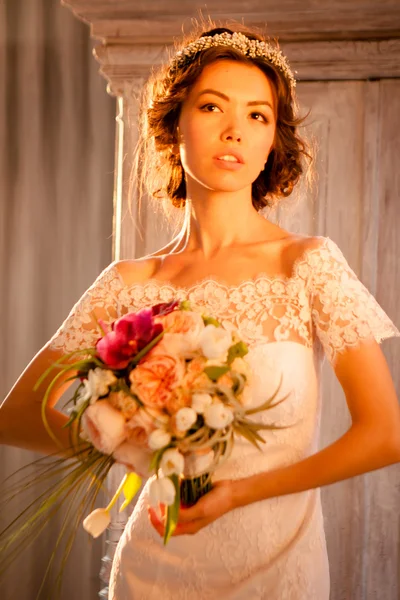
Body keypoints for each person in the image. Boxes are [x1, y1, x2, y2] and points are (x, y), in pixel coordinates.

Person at [2, 21, 400, 600]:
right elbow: (16, 413)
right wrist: (135, 447)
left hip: (277, 571)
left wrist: (239, 493)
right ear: (174, 126)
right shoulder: (129, 282)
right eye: (213, 107)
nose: (235, 130)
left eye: (258, 116)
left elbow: (385, 434)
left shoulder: (306, 264)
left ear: (272, 144)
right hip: (154, 565)